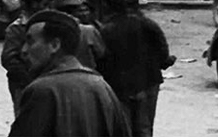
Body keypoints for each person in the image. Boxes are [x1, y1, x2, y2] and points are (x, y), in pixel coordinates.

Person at [8, 9, 131, 137]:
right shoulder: (102, 86)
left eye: (30, 41)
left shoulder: (41, 90)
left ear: (55, 45)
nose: (24, 50)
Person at [100, 0, 175, 137]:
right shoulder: (146, 23)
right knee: (144, 127)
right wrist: (164, 62)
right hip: (148, 81)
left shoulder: (107, 28)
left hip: (121, 85)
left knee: (124, 127)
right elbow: (162, 47)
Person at [1, 0, 50, 116]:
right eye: (44, 5)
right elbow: (9, 59)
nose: (47, 9)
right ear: (34, 5)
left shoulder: (46, 25)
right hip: (22, 84)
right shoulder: (16, 28)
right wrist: (29, 80)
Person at [51, 0, 106, 71]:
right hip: (87, 75)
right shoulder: (88, 31)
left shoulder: (50, 30)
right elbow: (101, 53)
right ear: (75, 11)